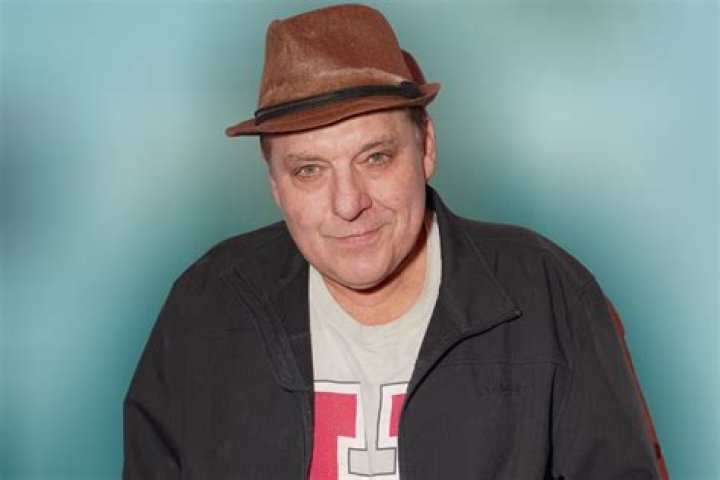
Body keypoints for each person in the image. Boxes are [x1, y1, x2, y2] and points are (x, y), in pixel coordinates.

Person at [123, 4, 669, 479]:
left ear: (426, 147)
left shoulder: (550, 295)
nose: (348, 203)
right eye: (309, 170)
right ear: (274, 184)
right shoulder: (206, 304)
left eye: (376, 158)